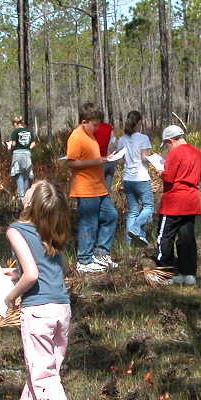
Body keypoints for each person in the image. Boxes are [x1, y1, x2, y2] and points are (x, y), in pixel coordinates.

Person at [1, 181, 88, 400]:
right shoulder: (49, 229)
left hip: (37, 313)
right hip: (61, 308)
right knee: (40, 377)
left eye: (32, 188)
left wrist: (11, 296)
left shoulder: (16, 230)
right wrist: (14, 275)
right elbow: (50, 269)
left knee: (44, 379)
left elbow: (32, 275)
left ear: (30, 203)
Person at [65, 102, 118, 273]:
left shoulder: (90, 136)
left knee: (111, 215)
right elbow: (71, 163)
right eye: (94, 124)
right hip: (85, 188)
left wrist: (104, 159)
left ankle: (101, 253)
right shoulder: (76, 137)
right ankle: (84, 260)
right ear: (84, 121)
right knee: (89, 223)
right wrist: (96, 161)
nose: (97, 128)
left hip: (99, 186)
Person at [155, 124, 201, 285]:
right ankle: (188, 274)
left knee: (164, 237)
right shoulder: (197, 152)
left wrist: (160, 172)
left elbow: (169, 178)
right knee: (187, 238)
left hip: (174, 201)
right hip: (192, 200)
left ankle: (165, 272)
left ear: (171, 140)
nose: (168, 149)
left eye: (167, 145)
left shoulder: (175, 153)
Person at [118, 110, 155, 246]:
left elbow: (121, 161)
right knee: (149, 207)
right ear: (139, 122)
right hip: (141, 178)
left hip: (128, 179)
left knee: (132, 211)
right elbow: (144, 158)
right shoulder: (143, 138)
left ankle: (129, 244)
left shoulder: (122, 139)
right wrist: (155, 159)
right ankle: (135, 229)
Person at [7, 116, 34, 198]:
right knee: (26, 174)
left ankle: (21, 195)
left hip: (17, 154)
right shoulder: (29, 131)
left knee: (18, 173)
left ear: (15, 123)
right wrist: (27, 148)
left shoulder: (15, 131)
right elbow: (33, 143)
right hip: (27, 154)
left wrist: (9, 145)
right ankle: (26, 196)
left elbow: (14, 144)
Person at [94, 115, 118, 189]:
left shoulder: (93, 128)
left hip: (98, 162)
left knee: (97, 191)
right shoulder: (109, 127)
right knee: (107, 191)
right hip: (110, 160)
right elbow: (114, 142)